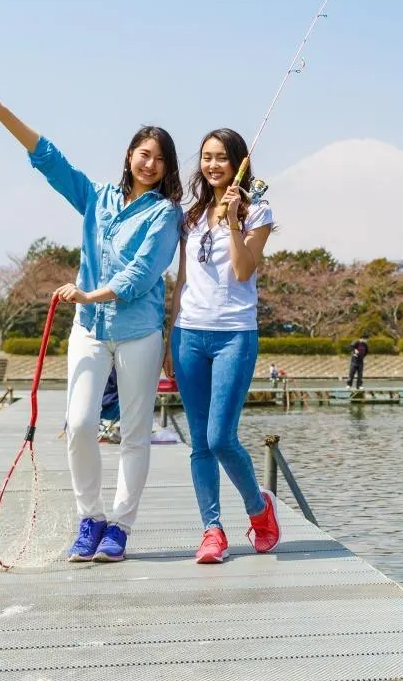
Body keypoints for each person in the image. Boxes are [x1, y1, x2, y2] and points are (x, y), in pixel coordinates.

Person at [0, 87, 182, 563]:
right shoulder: (98, 197)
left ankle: (121, 527)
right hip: (89, 328)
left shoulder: (165, 214)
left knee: (134, 432)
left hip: (138, 331)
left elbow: (141, 274)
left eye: (159, 159)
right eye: (143, 154)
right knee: (81, 423)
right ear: (129, 156)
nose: (149, 164)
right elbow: (49, 159)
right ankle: (91, 518)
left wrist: (90, 292)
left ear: (167, 169)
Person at [170, 128, 280, 564]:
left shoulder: (259, 211)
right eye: (206, 157)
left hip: (235, 333)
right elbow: (181, 279)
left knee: (220, 438)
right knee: (199, 442)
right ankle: (212, 530)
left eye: (222, 158)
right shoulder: (189, 214)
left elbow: (241, 270)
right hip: (188, 334)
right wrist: (168, 334)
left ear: (238, 163)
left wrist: (234, 220)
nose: (213, 165)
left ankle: (259, 508)